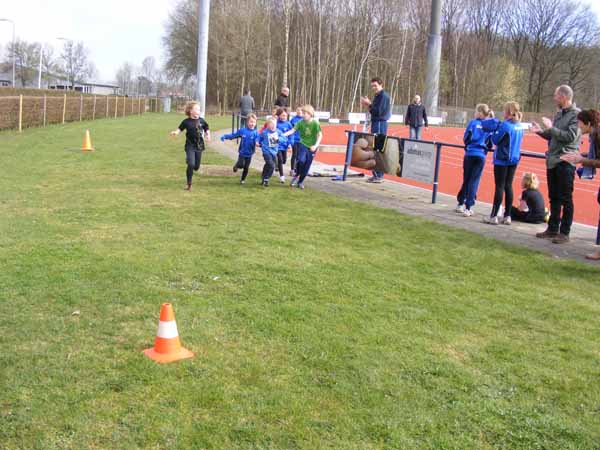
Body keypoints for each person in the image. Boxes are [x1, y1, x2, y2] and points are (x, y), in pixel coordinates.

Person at [530, 85, 581, 244]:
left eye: (556, 96)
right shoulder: (559, 114)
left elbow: (570, 137)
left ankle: (564, 232)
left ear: (564, 97)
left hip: (565, 161)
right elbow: (553, 136)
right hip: (552, 161)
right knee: (554, 197)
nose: (554, 98)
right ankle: (552, 228)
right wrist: (540, 131)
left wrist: (551, 128)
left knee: (566, 198)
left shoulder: (576, 115)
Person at [560, 109, 600, 259]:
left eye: (579, 123)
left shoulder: (598, 135)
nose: (578, 126)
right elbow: (595, 155)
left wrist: (581, 160)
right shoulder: (595, 134)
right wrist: (580, 155)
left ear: (588, 123)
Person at [482, 101, 524, 225]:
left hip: (502, 159)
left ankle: (494, 215)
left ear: (508, 112)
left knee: (499, 187)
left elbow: (495, 140)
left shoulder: (505, 126)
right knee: (508, 186)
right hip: (514, 158)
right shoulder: (519, 126)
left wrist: (493, 132)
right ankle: (508, 215)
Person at [455, 104, 494, 217]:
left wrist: (469, 146)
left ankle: (461, 203)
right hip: (481, 155)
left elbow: (466, 138)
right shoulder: (489, 125)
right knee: (474, 181)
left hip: (470, 153)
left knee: (466, 179)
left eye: (476, 111)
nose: (475, 113)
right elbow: (490, 143)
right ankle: (468, 207)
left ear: (480, 113)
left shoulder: (473, 123)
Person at [169, 101, 210, 191]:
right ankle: (189, 184)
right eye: (197, 109)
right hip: (190, 146)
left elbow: (206, 127)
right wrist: (175, 132)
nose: (199, 111)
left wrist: (208, 134)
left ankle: (190, 160)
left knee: (196, 167)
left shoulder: (201, 120)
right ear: (191, 111)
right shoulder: (186, 122)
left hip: (199, 146)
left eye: (199, 109)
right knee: (191, 164)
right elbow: (180, 129)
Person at [284, 104, 322, 190]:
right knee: (301, 160)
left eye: (305, 113)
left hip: (312, 147)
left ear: (310, 114)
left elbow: (320, 135)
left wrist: (315, 145)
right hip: (303, 144)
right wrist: (283, 135)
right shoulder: (300, 122)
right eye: (303, 113)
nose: (303, 115)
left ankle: (300, 182)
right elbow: (292, 130)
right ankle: (297, 174)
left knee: (306, 166)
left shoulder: (315, 123)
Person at [360, 77, 391, 183]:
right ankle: (376, 174)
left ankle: (379, 175)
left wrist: (369, 104)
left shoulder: (383, 96)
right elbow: (374, 111)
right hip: (376, 123)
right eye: (372, 86)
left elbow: (378, 112)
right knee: (375, 148)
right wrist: (368, 105)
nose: (373, 88)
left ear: (381, 85)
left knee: (378, 149)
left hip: (380, 124)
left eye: (375, 86)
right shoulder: (377, 96)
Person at [220, 113, 259, 184]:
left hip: (250, 153)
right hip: (242, 152)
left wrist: (258, 143)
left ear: (255, 123)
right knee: (241, 165)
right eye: (251, 122)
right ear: (247, 122)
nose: (252, 124)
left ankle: (242, 180)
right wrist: (225, 136)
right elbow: (233, 135)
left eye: (254, 122)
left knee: (246, 167)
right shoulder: (242, 131)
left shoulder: (256, 133)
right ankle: (236, 166)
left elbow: (258, 141)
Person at [258, 117, 286, 187]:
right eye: (271, 124)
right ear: (268, 125)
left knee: (268, 165)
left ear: (276, 124)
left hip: (274, 152)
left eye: (274, 124)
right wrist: (257, 142)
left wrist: (278, 139)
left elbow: (284, 139)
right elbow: (259, 137)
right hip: (266, 151)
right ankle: (266, 179)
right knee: (271, 165)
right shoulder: (265, 132)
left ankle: (263, 177)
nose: (273, 126)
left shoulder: (278, 132)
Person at [275, 108, 294, 183]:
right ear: (279, 115)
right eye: (283, 115)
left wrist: (290, 143)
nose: (284, 117)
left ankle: (276, 164)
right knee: (280, 160)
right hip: (277, 145)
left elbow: (291, 135)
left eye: (285, 115)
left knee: (284, 161)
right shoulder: (276, 123)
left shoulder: (288, 124)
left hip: (285, 146)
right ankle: (282, 176)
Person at [290, 105, 303, 176]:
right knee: (294, 154)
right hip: (294, 139)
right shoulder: (293, 119)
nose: (299, 112)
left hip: (302, 140)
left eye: (300, 110)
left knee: (299, 156)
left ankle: (297, 169)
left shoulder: (304, 119)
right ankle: (292, 169)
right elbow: (290, 129)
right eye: (298, 110)